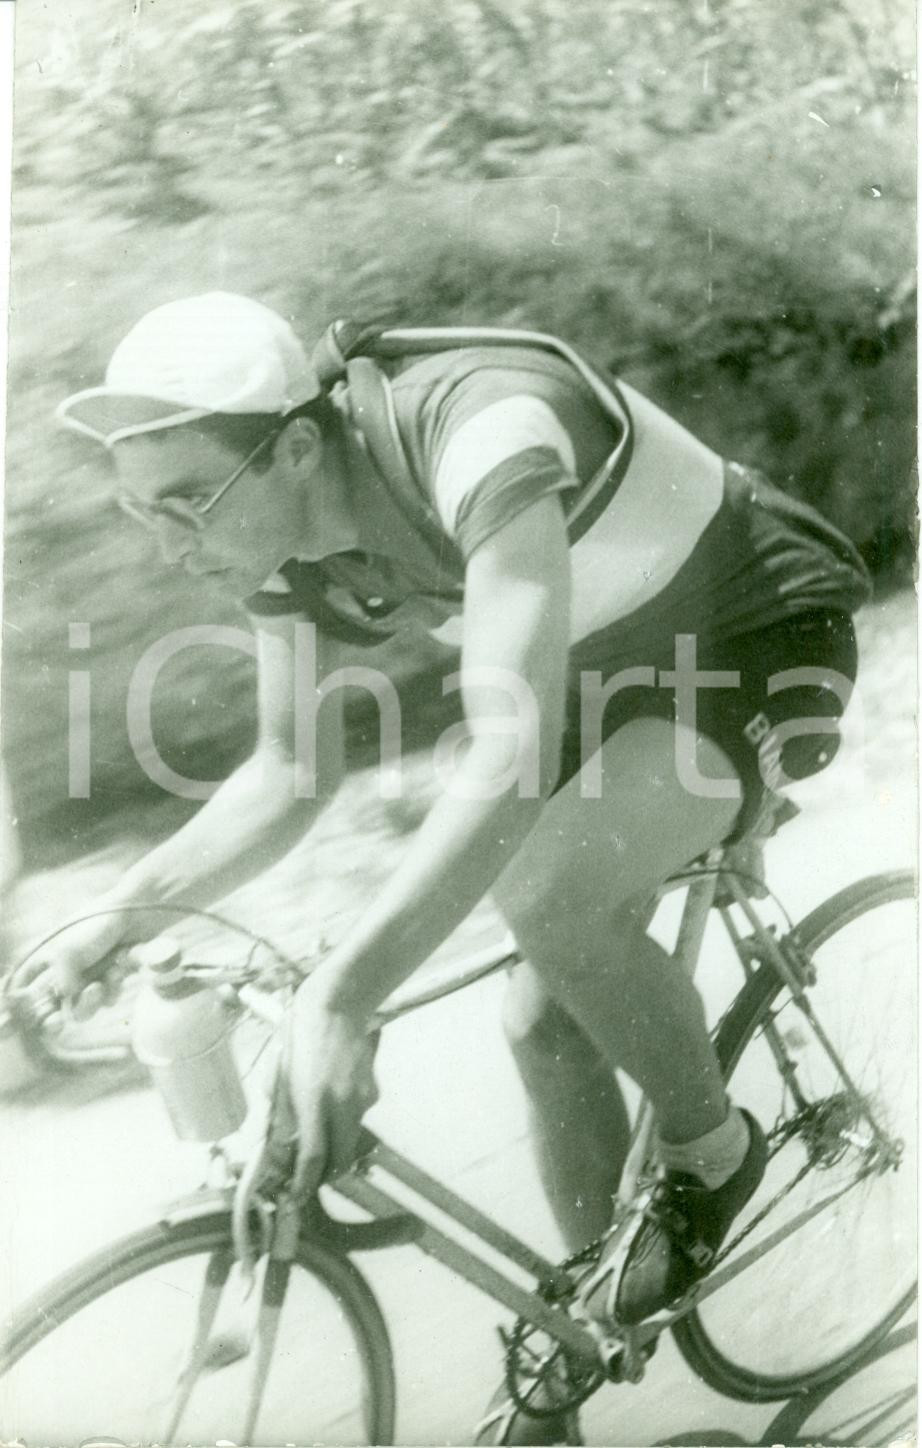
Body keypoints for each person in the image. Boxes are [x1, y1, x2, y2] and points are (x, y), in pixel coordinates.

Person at [49, 292, 869, 1440]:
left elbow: (508, 749)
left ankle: (711, 1152)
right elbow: (290, 769)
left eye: (187, 500)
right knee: (542, 1019)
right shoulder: (280, 542)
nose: (168, 541)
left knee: (550, 898)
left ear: (296, 447)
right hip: (595, 670)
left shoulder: (482, 428)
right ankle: (580, 1341)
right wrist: (122, 912)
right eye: (141, 510)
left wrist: (344, 994)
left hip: (754, 634)